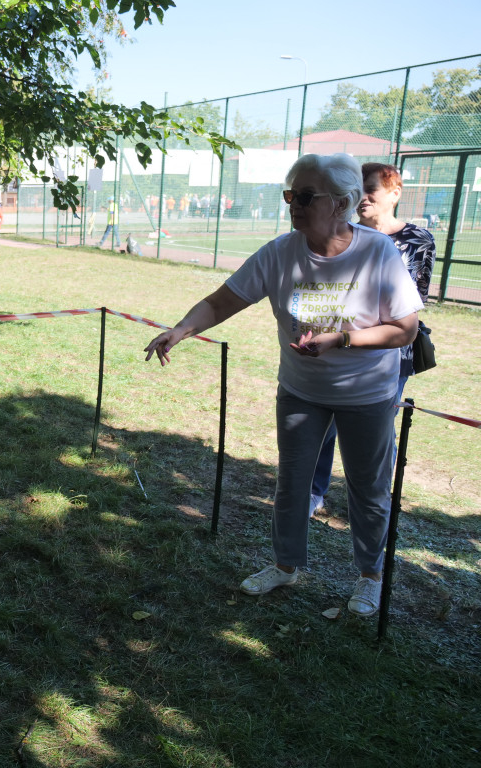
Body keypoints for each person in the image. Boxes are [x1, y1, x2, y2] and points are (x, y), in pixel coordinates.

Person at [144, 153, 422, 618]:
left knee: (367, 490)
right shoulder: (280, 252)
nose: (294, 204)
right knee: (292, 485)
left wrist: (344, 340)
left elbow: (405, 330)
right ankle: (285, 565)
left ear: (341, 203)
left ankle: (369, 576)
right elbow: (220, 302)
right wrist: (181, 329)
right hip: (300, 392)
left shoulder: (376, 252)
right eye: (291, 195)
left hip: (367, 395)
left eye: (306, 196)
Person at [309, 162, 436, 516]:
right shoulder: (344, 233)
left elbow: (416, 299)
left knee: (379, 431)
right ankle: (314, 492)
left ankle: (375, 502)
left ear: (394, 193)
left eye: (371, 190)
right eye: (358, 190)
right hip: (337, 346)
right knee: (325, 426)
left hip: (393, 350)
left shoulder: (418, 240)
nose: (363, 198)